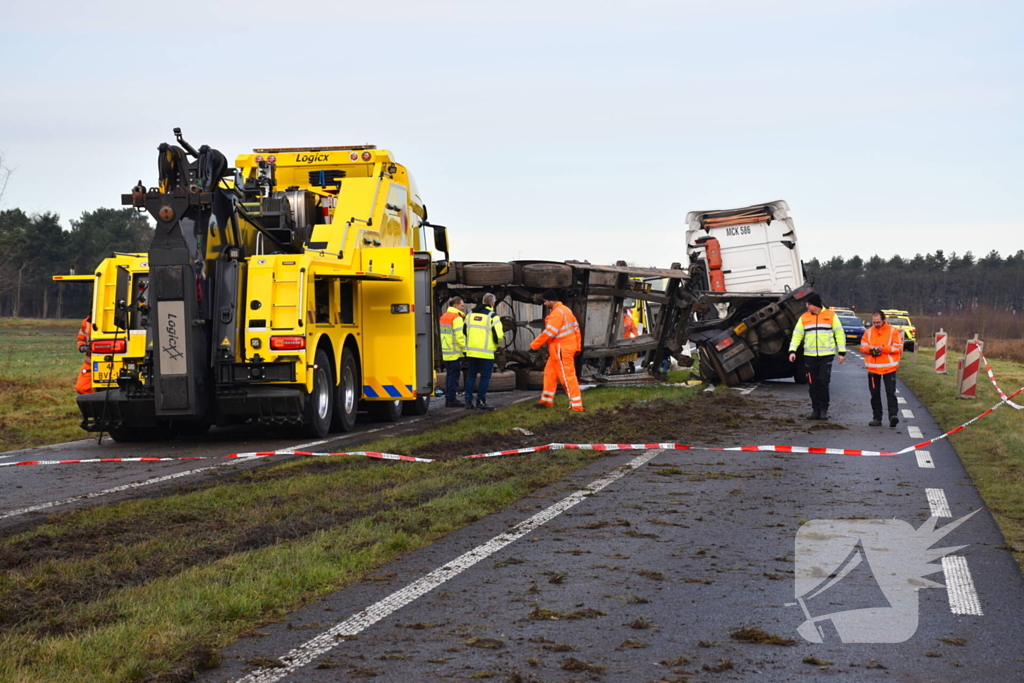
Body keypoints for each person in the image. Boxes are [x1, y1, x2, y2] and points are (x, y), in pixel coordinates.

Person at [788, 293, 846, 420]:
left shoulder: (831, 316)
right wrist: (792, 351)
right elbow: (797, 335)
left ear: (815, 305)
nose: (806, 306)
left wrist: (841, 352)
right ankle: (815, 410)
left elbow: (839, 334)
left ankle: (824, 409)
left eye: (808, 304)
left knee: (823, 382)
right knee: (812, 384)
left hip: (826, 355)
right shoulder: (804, 317)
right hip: (809, 356)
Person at [530, 289, 584, 412]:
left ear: (550, 301)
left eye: (545, 301)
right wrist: (577, 347)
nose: (544, 304)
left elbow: (550, 332)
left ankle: (576, 405)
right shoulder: (566, 310)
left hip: (561, 349)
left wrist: (534, 345)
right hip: (562, 349)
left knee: (566, 376)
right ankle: (546, 401)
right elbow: (576, 329)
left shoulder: (557, 313)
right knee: (550, 374)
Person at [860, 311, 904, 427]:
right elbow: (863, 346)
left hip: (889, 367)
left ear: (884, 320)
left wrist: (883, 349)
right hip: (873, 369)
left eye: (878, 322)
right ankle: (877, 418)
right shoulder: (868, 332)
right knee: (874, 394)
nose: (876, 324)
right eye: (874, 322)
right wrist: (871, 349)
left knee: (890, 393)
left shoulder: (893, 331)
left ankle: (893, 416)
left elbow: (898, 347)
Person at [463, 293, 504, 411]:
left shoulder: (470, 315)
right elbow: (498, 336)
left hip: (471, 351)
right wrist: (496, 345)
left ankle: (468, 401)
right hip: (486, 352)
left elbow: (464, 331)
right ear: (493, 303)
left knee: (471, 375)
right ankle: (481, 401)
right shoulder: (493, 316)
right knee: (485, 377)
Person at [438, 296, 467, 407]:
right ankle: (452, 399)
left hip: (446, 351)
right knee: (454, 377)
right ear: (455, 305)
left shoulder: (444, 316)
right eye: (461, 305)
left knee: (449, 376)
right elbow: (459, 336)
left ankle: (448, 398)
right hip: (455, 352)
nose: (462, 308)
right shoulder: (457, 318)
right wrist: (465, 350)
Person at [75, 315, 94, 395]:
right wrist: (82, 348)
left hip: (115, 362)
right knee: (81, 387)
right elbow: (81, 339)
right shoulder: (86, 322)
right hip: (90, 363)